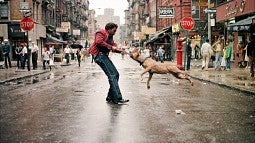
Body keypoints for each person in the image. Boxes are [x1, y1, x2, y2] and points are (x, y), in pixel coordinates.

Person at [89, 22, 129, 104]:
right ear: (109, 29)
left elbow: (114, 47)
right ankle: (117, 98)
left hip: (104, 55)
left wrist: (121, 51)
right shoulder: (101, 32)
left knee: (116, 74)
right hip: (99, 55)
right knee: (112, 75)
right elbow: (98, 42)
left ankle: (110, 97)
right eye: (114, 30)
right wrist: (111, 47)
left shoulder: (111, 37)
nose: (115, 32)